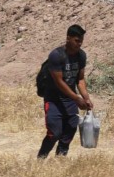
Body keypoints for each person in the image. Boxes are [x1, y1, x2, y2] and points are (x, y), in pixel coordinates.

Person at [38, 24, 93, 158]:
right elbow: (59, 82)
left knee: (71, 128)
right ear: (68, 38)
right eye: (76, 40)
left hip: (70, 100)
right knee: (54, 132)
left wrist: (86, 97)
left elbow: (80, 79)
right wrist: (77, 98)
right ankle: (41, 158)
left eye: (81, 41)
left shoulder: (81, 56)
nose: (79, 44)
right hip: (53, 100)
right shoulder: (56, 55)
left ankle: (60, 159)